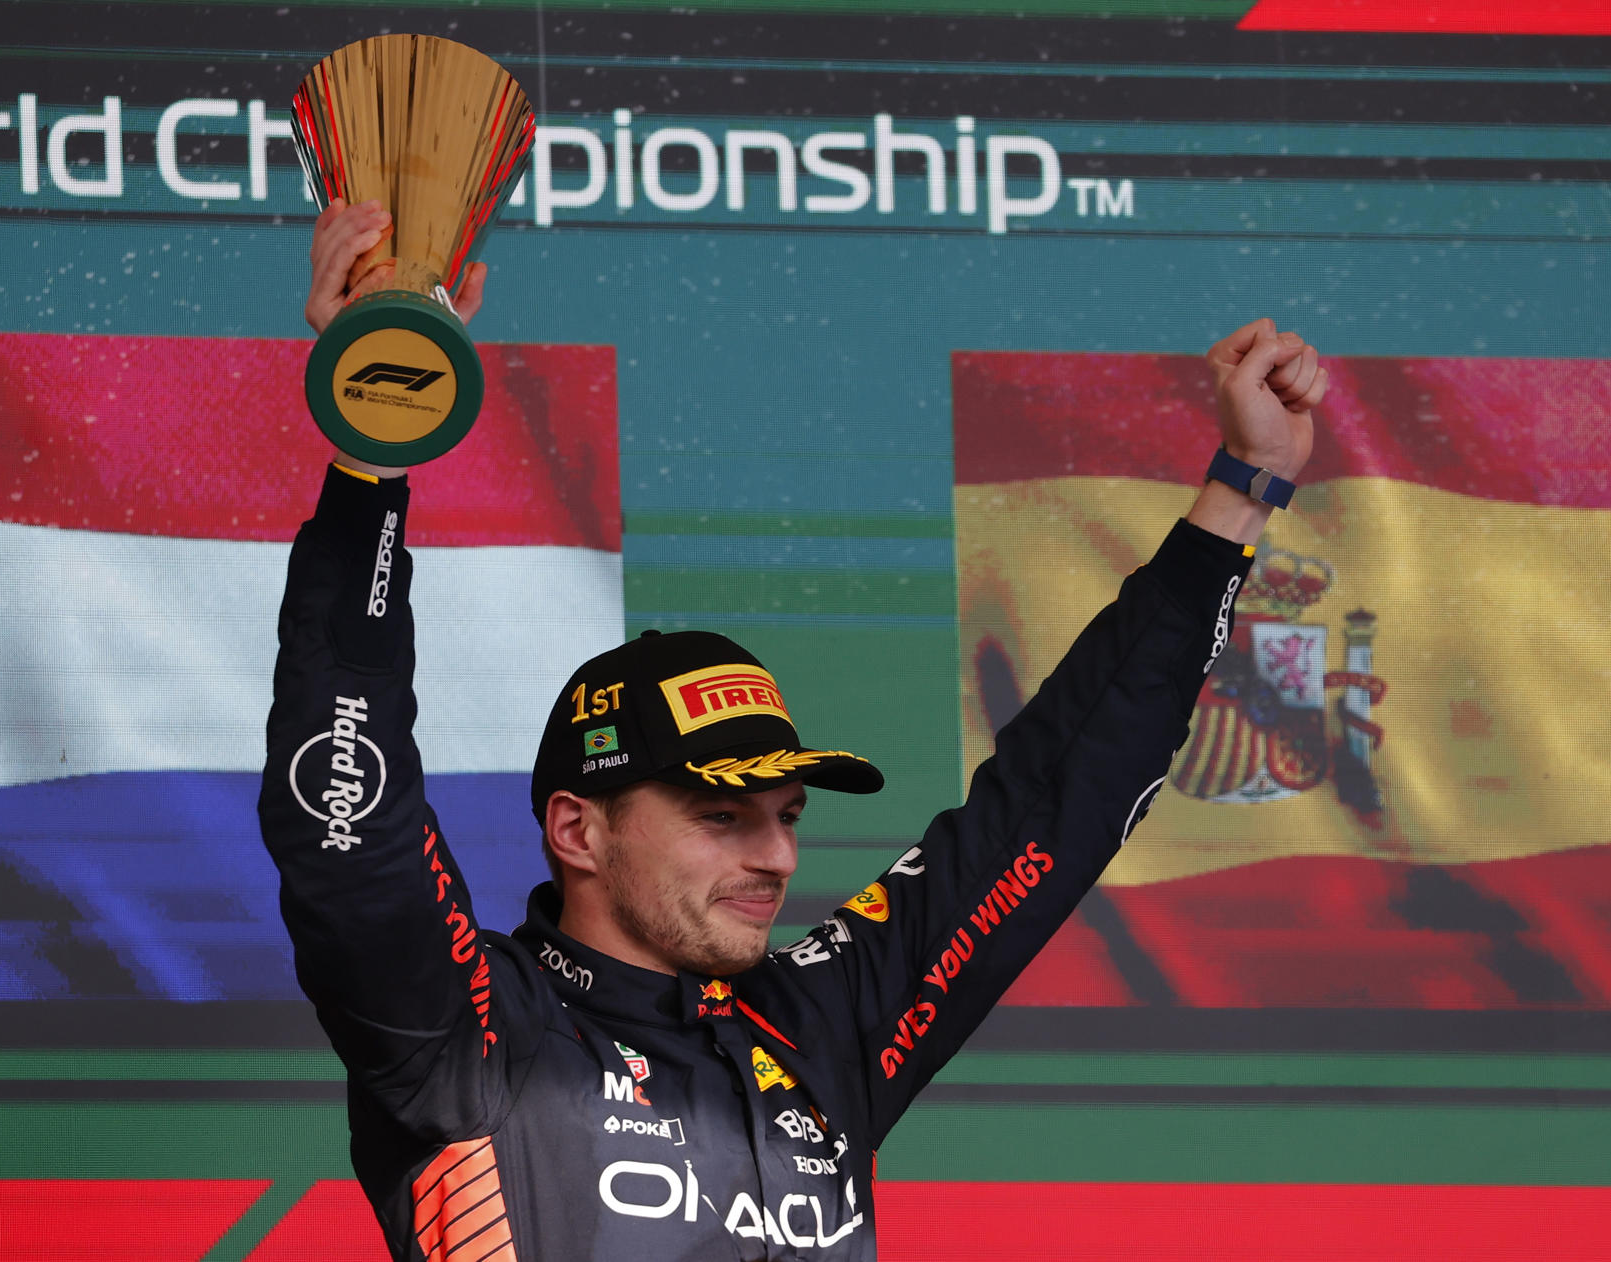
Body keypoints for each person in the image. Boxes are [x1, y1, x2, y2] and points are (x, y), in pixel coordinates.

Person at [260, 198, 1328, 1261]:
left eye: (786, 814)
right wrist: (376, 439)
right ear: (578, 829)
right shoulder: (470, 1025)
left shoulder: (819, 1017)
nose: (775, 856)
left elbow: (1056, 801)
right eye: (721, 814)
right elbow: (347, 826)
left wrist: (1243, 492)